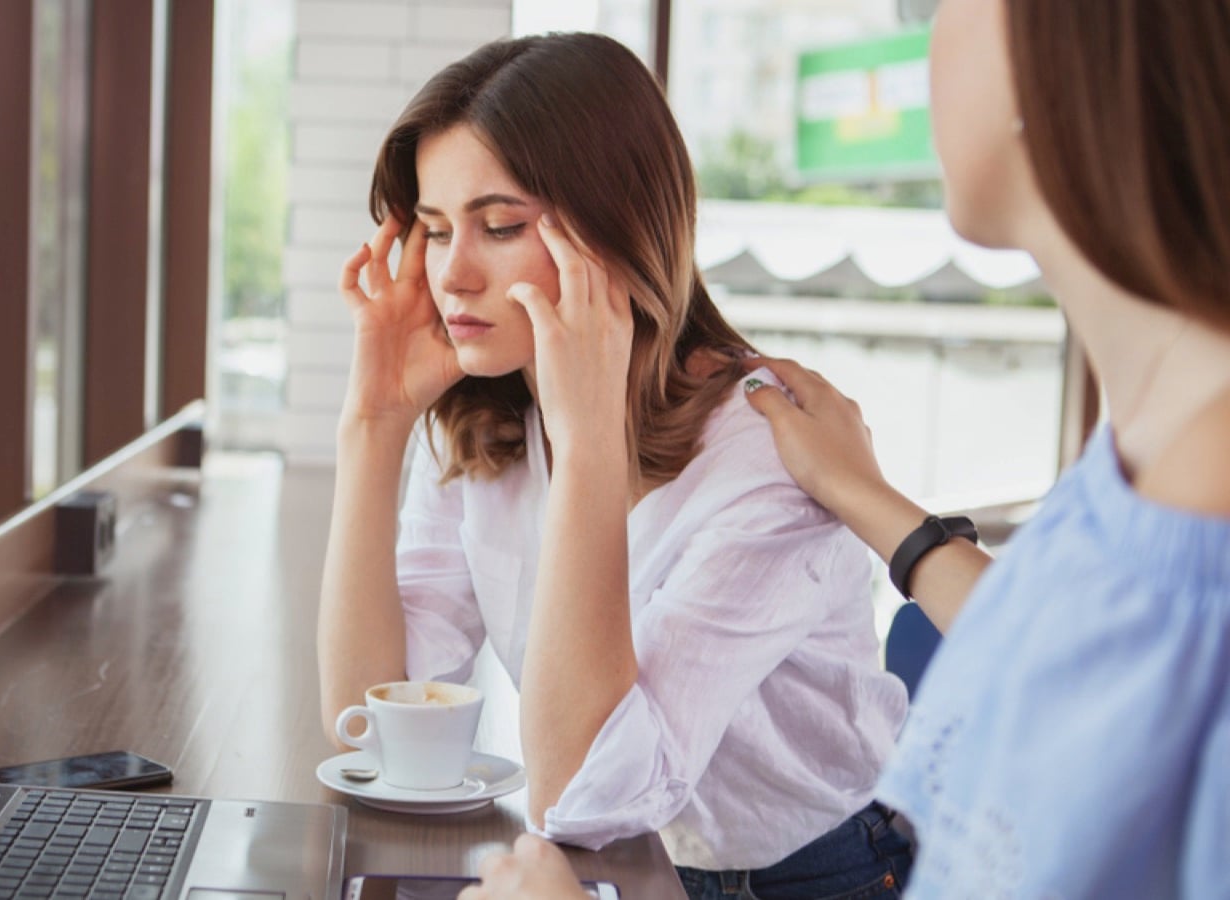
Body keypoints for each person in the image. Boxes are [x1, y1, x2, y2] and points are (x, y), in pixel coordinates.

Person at [466, 0, 1230, 897]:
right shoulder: (1126, 484)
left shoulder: (1198, 536)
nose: (928, 35)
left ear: (1075, 45)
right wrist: (865, 496)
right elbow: (1072, 666)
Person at [316, 32, 913, 899]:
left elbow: (582, 797)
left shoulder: (764, 453)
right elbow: (372, 725)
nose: (453, 275)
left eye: (500, 226)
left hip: (807, 878)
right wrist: (372, 426)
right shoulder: (491, 419)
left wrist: (590, 438)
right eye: (436, 231)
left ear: (617, 232)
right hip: (620, 867)